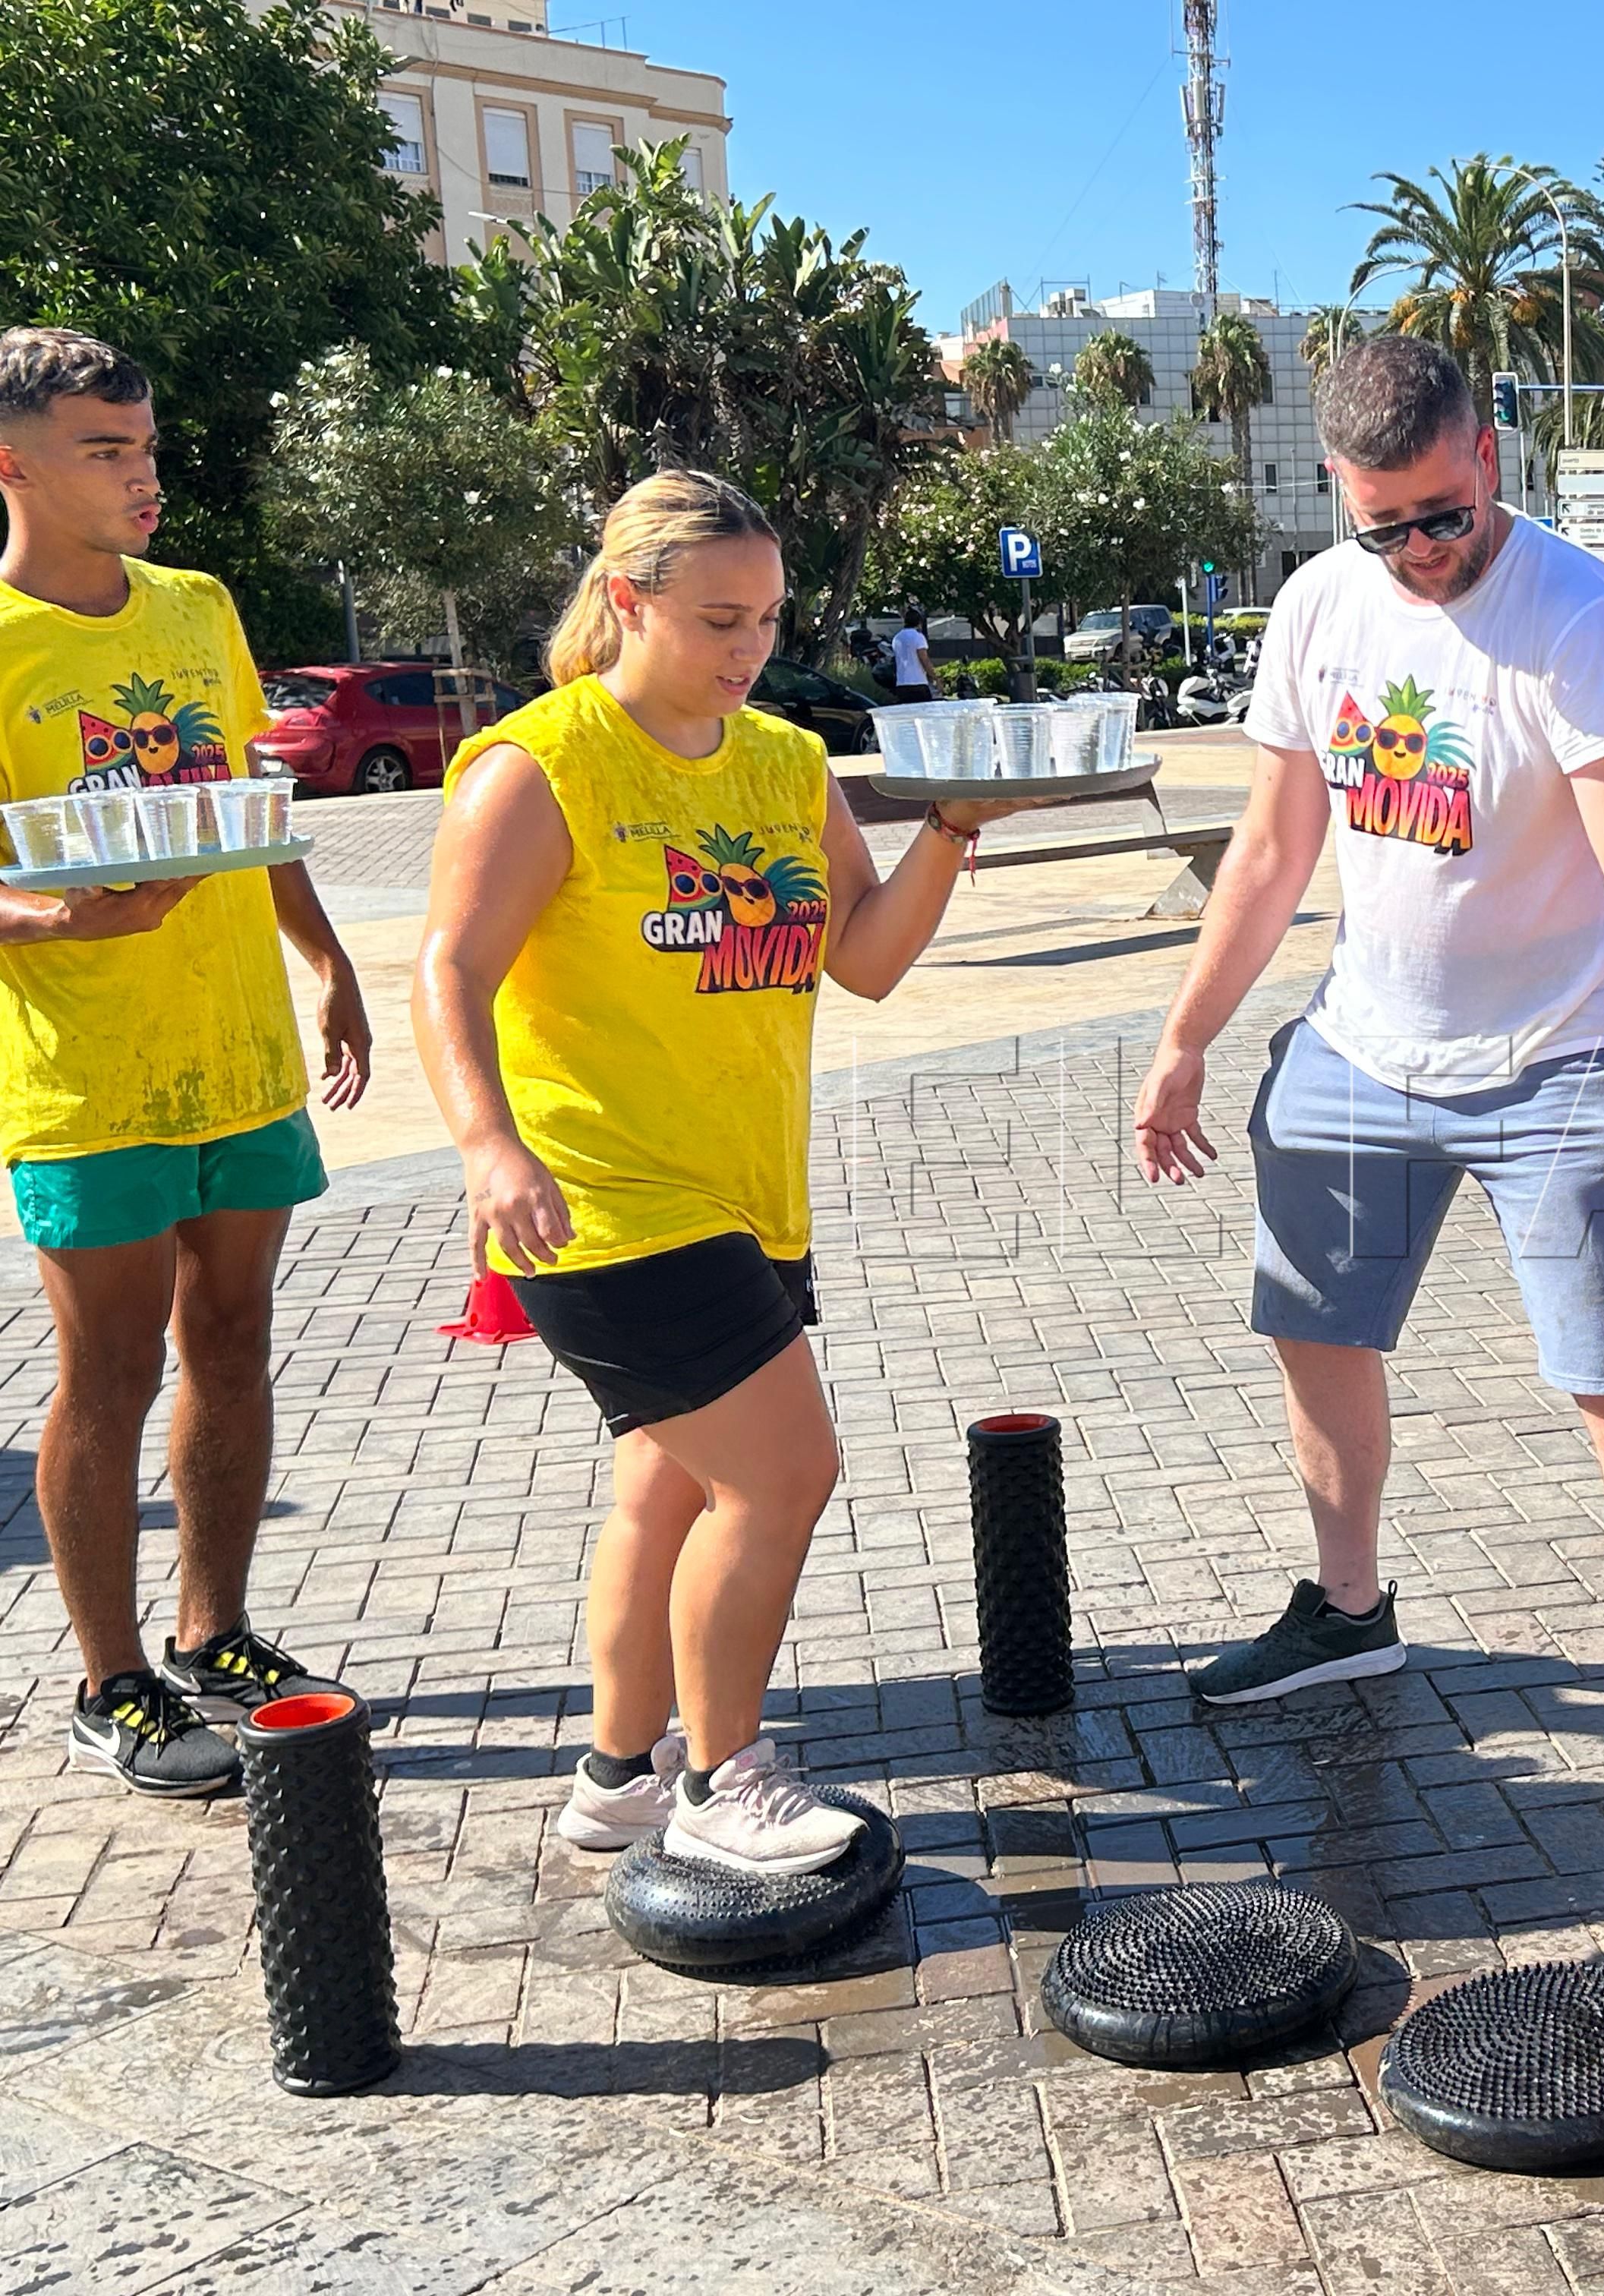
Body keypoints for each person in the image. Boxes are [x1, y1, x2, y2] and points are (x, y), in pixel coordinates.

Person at [1130, 334, 1604, 1840]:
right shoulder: (1319, 607)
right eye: (1379, 523)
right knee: (1315, 1328)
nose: (1414, 551)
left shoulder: (1581, 619)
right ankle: (1349, 1610)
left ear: (1489, 457)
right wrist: (1188, 1031)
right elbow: (1274, 851)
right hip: (1363, 1046)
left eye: (1439, 517)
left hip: (1564, 1055)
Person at [413, 472, 1023, 1873]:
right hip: (601, 1197)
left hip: (748, 1196)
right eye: (717, 619)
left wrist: (953, 827)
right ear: (626, 600)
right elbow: (448, 969)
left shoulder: (783, 762)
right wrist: (485, 1142)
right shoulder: (542, 762)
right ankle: (719, 1774)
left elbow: (861, 957)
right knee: (783, 1471)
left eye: (768, 618)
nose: (749, 648)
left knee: (667, 1485)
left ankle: (617, 1775)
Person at [0, 329, 373, 1798]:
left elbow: (245, 804)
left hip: (236, 1049)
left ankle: (213, 1630)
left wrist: (327, 957)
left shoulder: (198, 603)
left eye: (148, 446)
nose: (145, 475)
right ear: (12, 461)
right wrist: (54, 916)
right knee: (110, 1366)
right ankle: (110, 1682)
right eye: (108, 450)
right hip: (89, 1074)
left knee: (231, 1337)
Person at [887, 609, 935, 702]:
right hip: (918, 683)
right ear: (919, 623)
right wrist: (934, 677)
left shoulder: (897, 638)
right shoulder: (918, 637)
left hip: (902, 684)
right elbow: (924, 659)